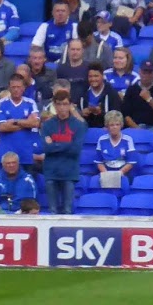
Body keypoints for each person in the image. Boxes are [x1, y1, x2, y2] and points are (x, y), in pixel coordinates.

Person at [39, 85, 87, 213]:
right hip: (51, 172)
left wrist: (55, 145)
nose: (62, 108)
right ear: (54, 105)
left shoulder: (78, 125)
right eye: (59, 104)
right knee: (52, 211)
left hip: (69, 172)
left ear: (70, 105)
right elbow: (46, 148)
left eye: (65, 104)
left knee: (67, 210)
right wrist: (67, 144)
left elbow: (76, 149)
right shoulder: (47, 125)